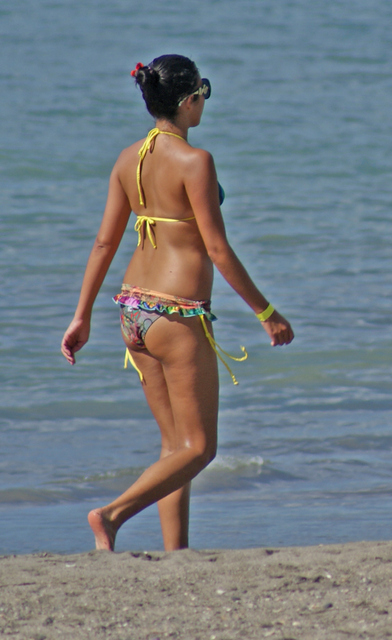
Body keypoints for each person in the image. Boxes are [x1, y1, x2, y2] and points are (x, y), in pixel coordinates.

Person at [61, 54, 294, 552]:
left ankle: (177, 554)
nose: (204, 102)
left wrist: (81, 316)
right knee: (200, 447)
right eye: (203, 92)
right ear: (190, 101)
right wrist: (266, 312)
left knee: (174, 449)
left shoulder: (128, 159)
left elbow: (104, 244)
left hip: (130, 313)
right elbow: (217, 249)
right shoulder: (196, 161)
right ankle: (111, 515)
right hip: (174, 314)